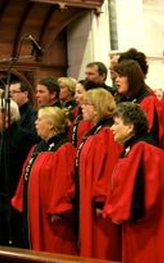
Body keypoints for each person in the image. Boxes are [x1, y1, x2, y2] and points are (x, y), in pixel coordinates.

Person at [102, 102, 164, 262]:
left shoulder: (144, 150)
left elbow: (145, 194)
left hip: (148, 229)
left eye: (116, 123)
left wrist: (118, 212)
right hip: (139, 227)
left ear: (130, 127)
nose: (111, 128)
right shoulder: (135, 149)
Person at [11, 107, 76, 254]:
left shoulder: (64, 149)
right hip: (33, 211)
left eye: (40, 120)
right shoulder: (37, 147)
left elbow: (64, 182)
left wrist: (59, 210)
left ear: (51, 124)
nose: (35, 123)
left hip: (50, 216)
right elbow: (25, 175)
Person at [75, 88, 121, 260]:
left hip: (99, 204)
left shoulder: (107, 133)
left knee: (101, 248)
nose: (82, 108)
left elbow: (109, 168)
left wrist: (101, 200)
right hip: (86, 197)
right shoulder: (93, 131)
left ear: (97, 107)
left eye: (86, 104)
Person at [0, 99, 36, 247]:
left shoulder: (24, 137)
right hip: (1, 199)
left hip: (16, 198)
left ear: (7, 115)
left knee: (16, 241)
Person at [114, 59, 164, 145]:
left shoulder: (148, 101)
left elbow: (148, 134)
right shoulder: (124, 100)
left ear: (132, 78)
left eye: (121, 76)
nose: (116, 80)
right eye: (116, 76)